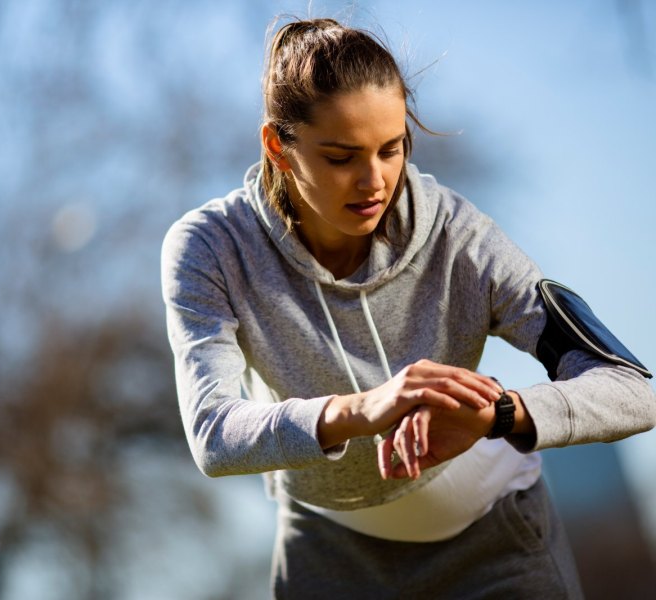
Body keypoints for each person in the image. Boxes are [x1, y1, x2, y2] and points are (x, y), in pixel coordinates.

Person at [160, 17, 656, 599]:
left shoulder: (460, 240)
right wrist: (361, 409)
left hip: (495, 548)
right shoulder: (212, 249)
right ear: (278, 146)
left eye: (391, 149)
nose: (375, 181)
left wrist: (500, 413)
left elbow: (631, 388)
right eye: (342, 156)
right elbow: (213, 432)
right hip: (327, 555)